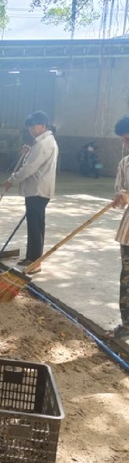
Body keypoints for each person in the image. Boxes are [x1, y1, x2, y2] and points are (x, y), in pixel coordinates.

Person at [3, 111, 59, 274]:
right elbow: (34, 160)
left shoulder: (44, 143)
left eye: (33, 127)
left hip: (38, 191)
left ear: (43, 125)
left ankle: (35, 262)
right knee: (35, 225)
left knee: (35, 226)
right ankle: (31, 257)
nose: (31, 131)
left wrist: (11, 180)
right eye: (29, 128)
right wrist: (29, 152)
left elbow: (29, 168)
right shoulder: (43, 142)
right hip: (37, 190)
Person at [109, 116, 129, 339]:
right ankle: (127, 325)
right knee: (127, 279)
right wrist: (120, 197)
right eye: (124, 140)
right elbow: (120, 190)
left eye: (128, 138)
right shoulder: (124, 163)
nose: (126, 143)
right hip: (128, 233)